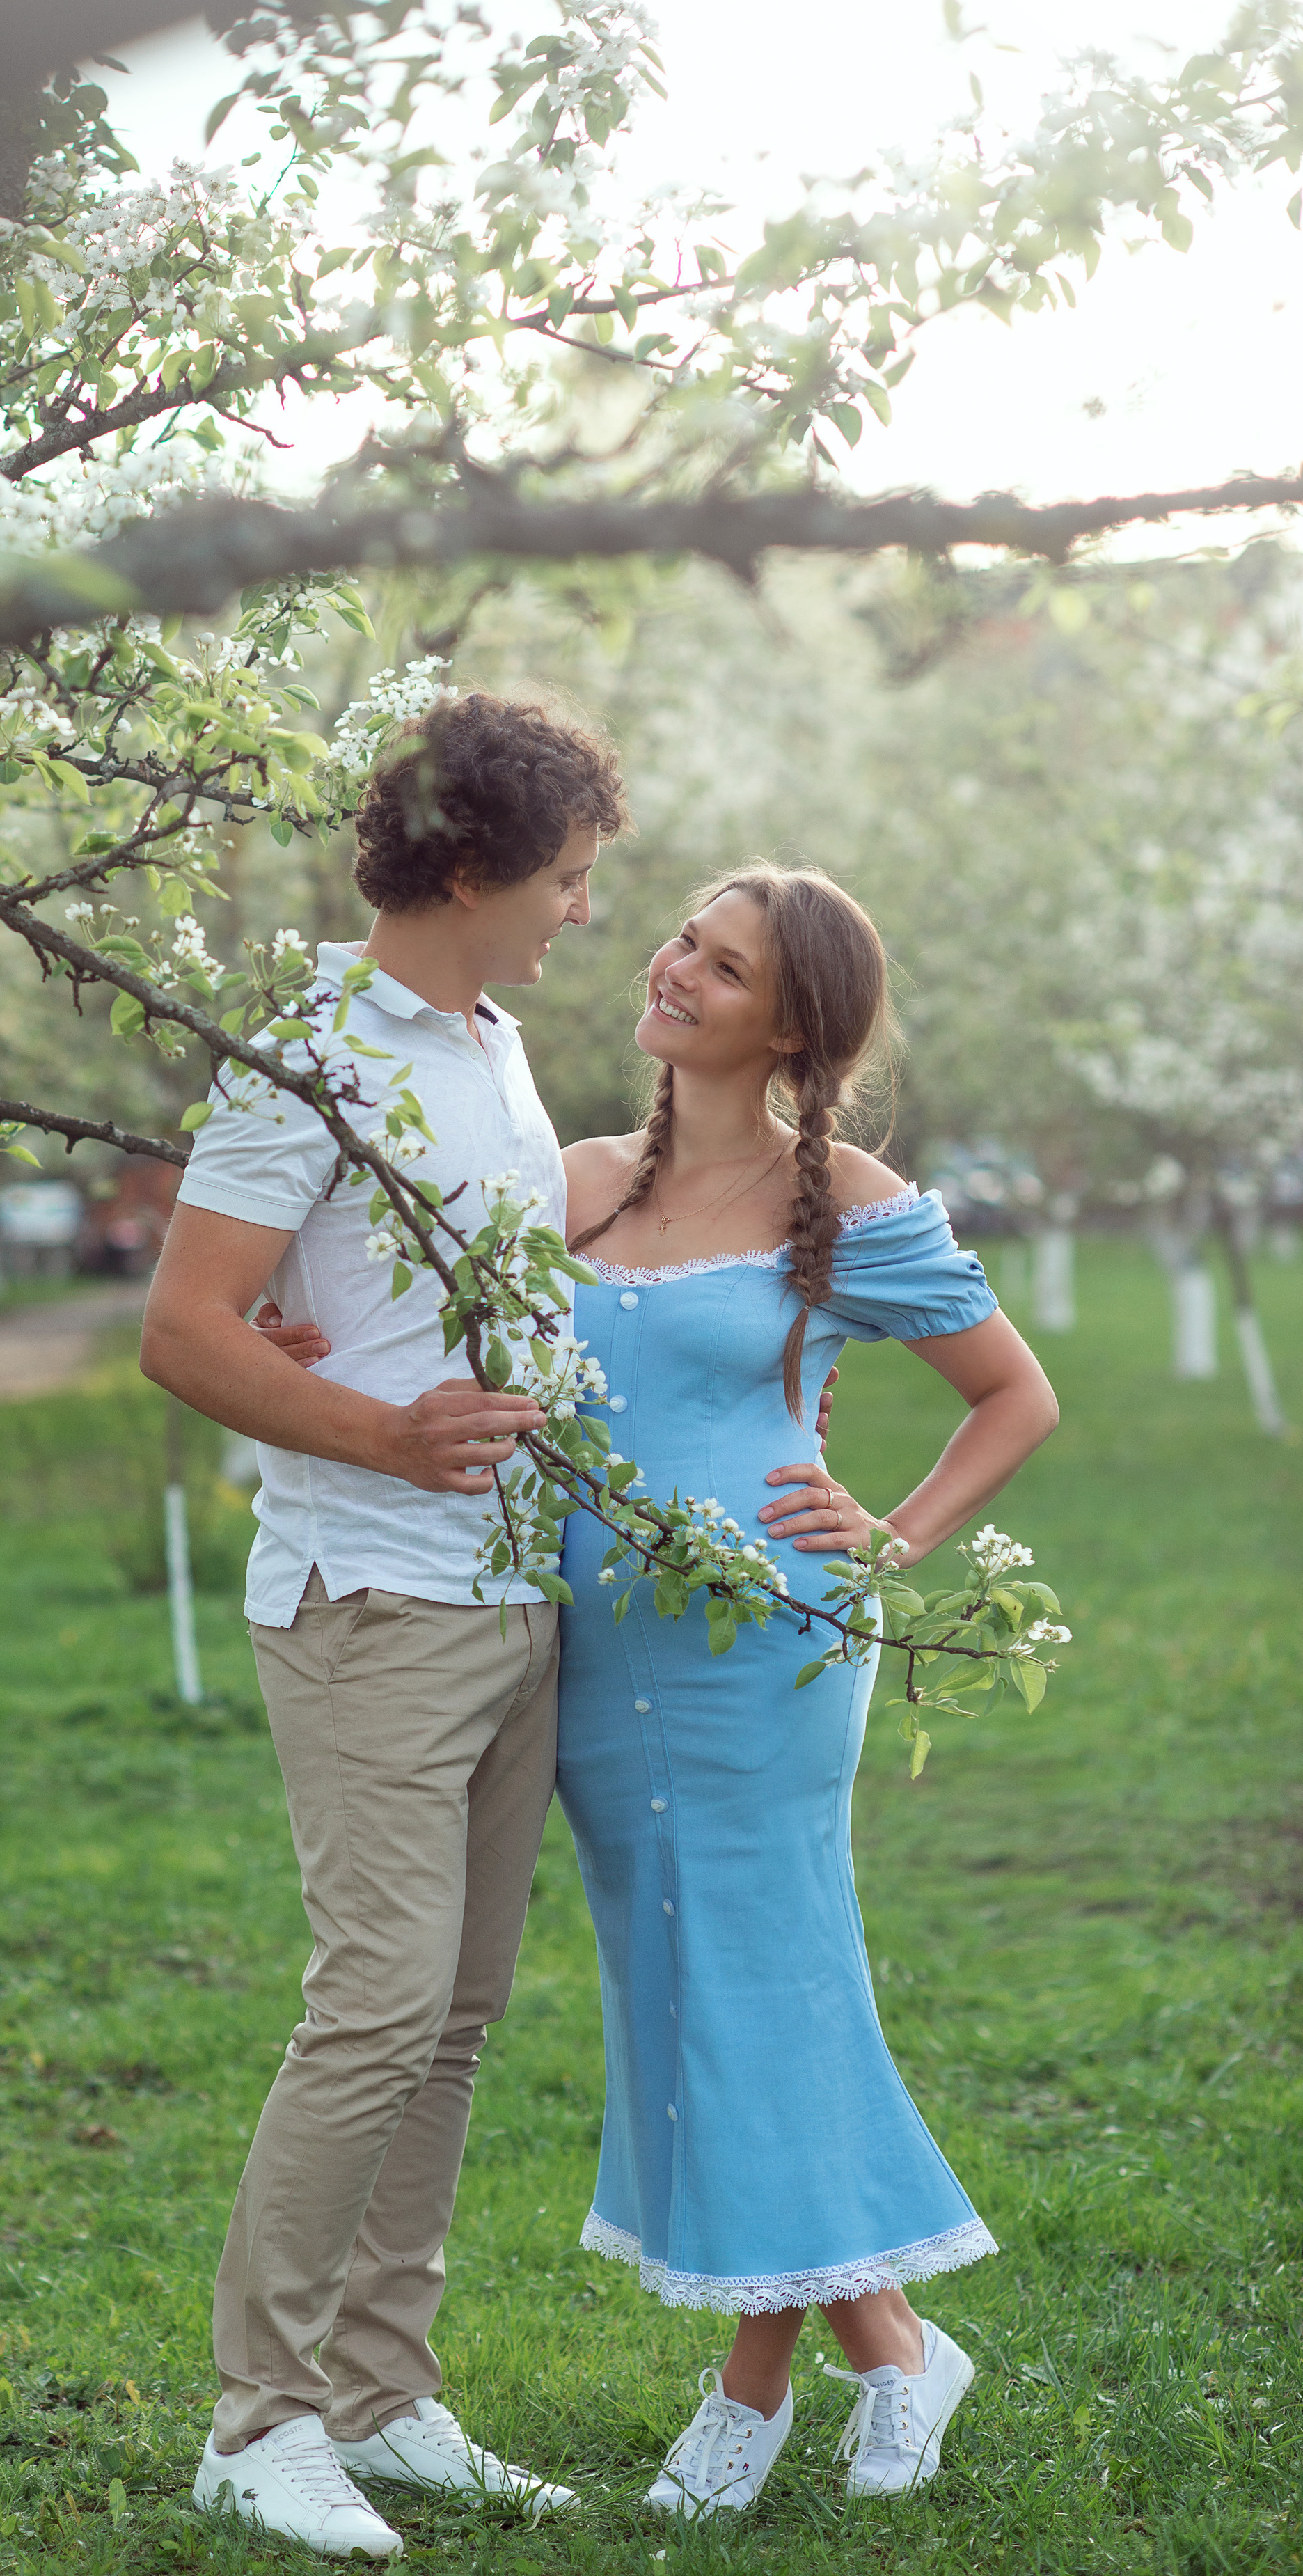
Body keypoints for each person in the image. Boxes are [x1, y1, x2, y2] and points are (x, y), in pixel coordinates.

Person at [139, 693, 628, 2559]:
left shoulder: (493, 1042)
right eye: (571, 878)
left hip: (513, 1598)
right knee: (378, 2007)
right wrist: (386, 1432)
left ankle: (384, 2392)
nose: (587, 910)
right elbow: (186, 1328)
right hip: (370, 1598)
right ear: (479, 869)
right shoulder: (309, 1054)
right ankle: (256, 2420)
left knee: (461, 2015)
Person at [554, 863, 1059, 2515]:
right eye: (680, 941)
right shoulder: (563, 1188)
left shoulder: (838, 1200)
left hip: (763, 1646)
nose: (676, 969)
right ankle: (891, 2343)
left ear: (789, 1024)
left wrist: (888, 1541)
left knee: (759, 1985)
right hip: (588, 1659)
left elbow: (1011, 1397)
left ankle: (749, 2392)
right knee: (677, 1991)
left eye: (725, 964)